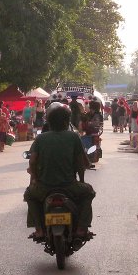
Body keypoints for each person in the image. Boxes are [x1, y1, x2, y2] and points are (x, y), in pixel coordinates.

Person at [24, 103, 95, 241]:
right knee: (89, 192)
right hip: (69, 186)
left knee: (29, 195)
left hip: (44, 187)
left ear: (49, 122)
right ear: (66, 122)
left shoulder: (40, 138)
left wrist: (35, 179)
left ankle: (39, 229)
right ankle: (81, 227)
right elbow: (81, 163)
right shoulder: (73, 137)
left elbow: (32, 162)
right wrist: (81, 180)